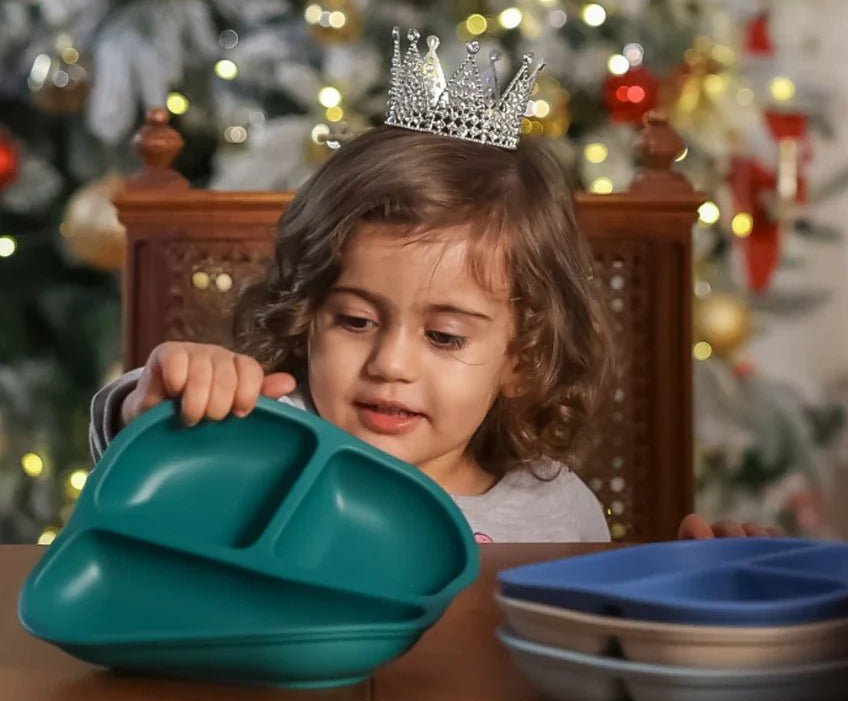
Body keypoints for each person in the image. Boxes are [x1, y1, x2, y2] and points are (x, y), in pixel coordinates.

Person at [88, 31, 614, 543]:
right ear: (305, 316)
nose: (391, 365)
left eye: (445, 336)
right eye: (356, 321)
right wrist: (154, 408)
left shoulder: (556, 515)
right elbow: (141, 461)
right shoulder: (260, 441)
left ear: (520, 360)